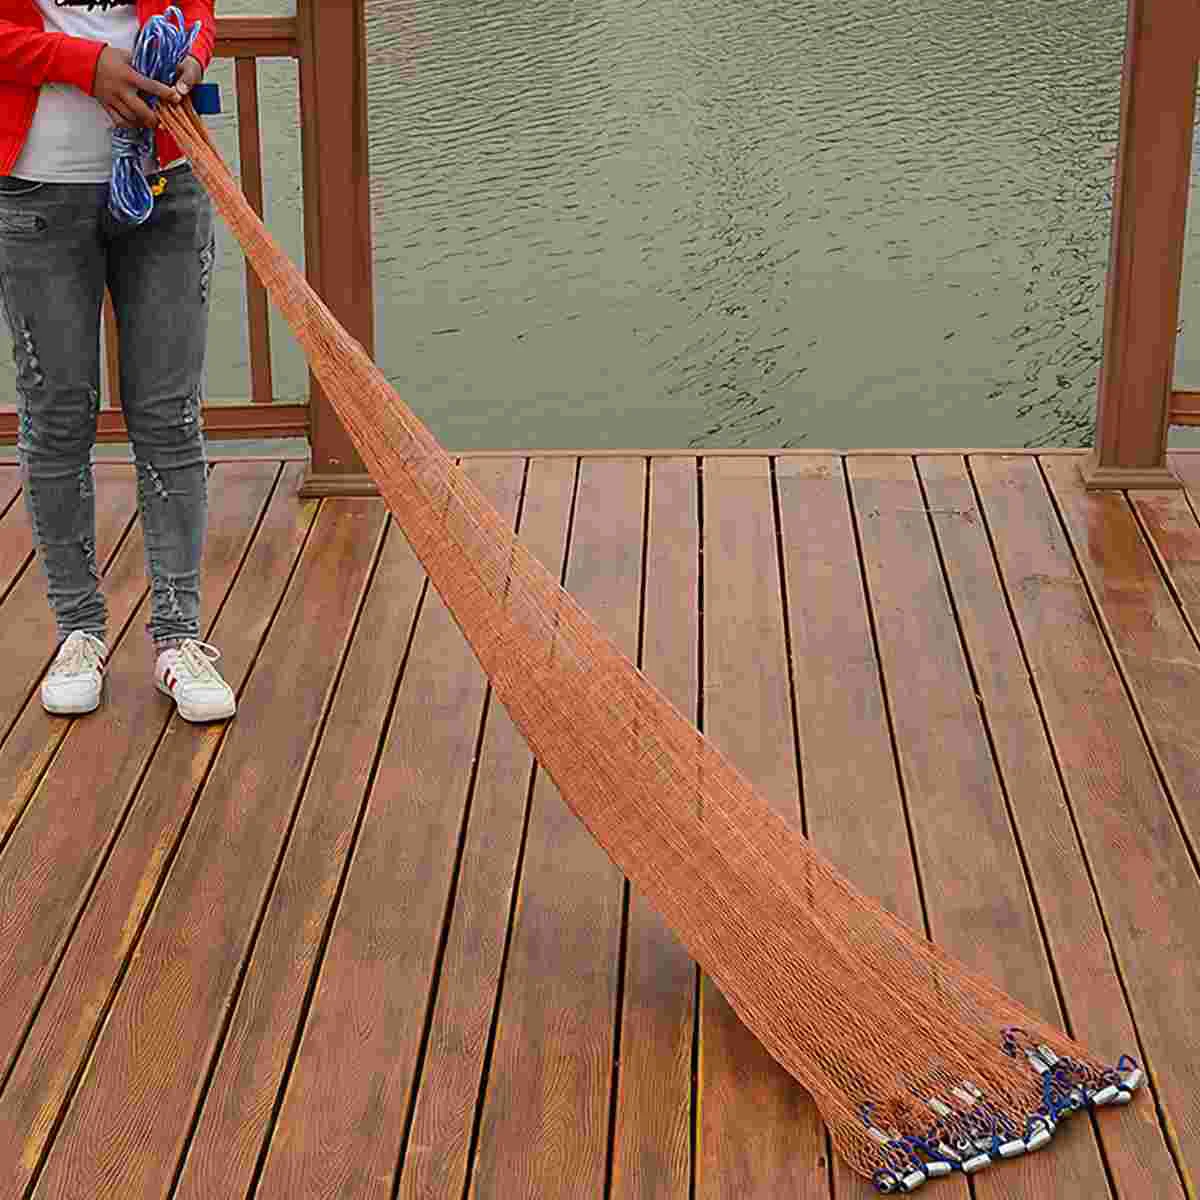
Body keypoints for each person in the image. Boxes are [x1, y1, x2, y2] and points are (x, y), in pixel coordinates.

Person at [0, 0, 236, 723]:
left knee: (170, 416)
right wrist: (85, 64)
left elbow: (196, 6)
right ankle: (78, 631)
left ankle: (178, 638)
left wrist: (192, 53)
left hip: (167, 179)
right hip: (38, 192)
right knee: (58, 417)